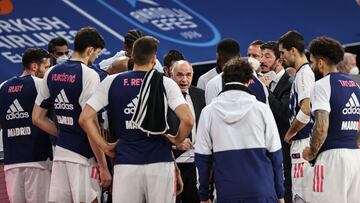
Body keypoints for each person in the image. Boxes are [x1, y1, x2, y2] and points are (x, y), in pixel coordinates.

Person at [79, 36, 194, 203]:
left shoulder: (111, 82)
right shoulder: (165, 83)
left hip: (126, 163)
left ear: (132, 57)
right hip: (160, 162)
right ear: (154, 59)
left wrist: (104, 146)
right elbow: (189, 120)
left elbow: (84, 119)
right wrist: (177, 140)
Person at [32, 27, 112, 203]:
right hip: (83, 155)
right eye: (97, 53)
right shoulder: (89, 74)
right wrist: (103, 166)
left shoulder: (51, 72)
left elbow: (37, 118)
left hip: (61, 153)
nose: (96, 57)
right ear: (90, 50)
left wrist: (64, 134)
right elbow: (89, 123)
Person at [195, 58, 285, 203]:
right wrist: (280, 193)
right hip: (262, 191)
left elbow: (202, 159)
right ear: (250, 80)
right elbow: (276, 156)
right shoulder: (262, 110)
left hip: (227, 193)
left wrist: (204, 195)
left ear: (223, 79)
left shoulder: (208, 112)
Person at [303, 36, 360, 203]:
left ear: (320, 63)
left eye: (312, 62)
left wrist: (312, 153)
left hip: (331, 158)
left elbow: (321, 126)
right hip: (355, 157)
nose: (312, 66)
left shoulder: (321, 85)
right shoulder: (355, 86)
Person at [0, 48, 53, 203]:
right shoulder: (40, 84)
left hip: (11, 162)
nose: (48, 71)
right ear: (34, 67)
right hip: (38, 160)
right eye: (47, 67)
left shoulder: (2, 87)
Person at [278, 30, 315, 203]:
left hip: (302, 140)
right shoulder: (302, 73)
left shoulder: (304, 74)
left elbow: (306, 110)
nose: (281, 58)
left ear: (293, 50)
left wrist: (289, 133)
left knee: (301, 194)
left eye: (282, 53)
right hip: (302, 140)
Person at [167, 60, 205, 203]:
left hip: (196, 163)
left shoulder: (201, 95)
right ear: (171, 75)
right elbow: (156, 129)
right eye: (180, 75)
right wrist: (175, 142)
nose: (184, 80)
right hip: (171, 161)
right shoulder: (162, 97)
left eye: (188, 75)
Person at [260, 41, 293, 203]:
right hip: (266, 147)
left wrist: (266, 90)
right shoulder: (261, 82)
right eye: (261, 56)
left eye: (267, 56)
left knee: (284, 191)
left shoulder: (289, 83)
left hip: (284, 147)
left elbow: (282, 113)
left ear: (279, 60)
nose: (262, 60)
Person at [99, 29, 163, 73]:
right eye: (135, 50)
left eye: (142, 49)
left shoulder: (154, 62)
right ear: (126, 48)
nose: (140, 53)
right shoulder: (112, 64)